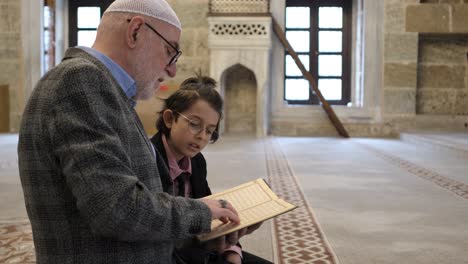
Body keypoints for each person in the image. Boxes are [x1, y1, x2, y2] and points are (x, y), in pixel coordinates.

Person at [17, 1, 240, 263]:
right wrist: (201, 211)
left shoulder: (105, 88)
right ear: (135, 31)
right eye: (170, 51)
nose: (172, 70)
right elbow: (116, 209)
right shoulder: (79, 82)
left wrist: (204, 238)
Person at [150, 75, 272, 264]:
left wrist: (232, 252)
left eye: (209, 130)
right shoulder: (149, 160)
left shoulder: (197, 162)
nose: (201, 137)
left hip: (202, 250)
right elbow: (156, 235)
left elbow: (210, 215)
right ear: (169, 119)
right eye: (194, 124)